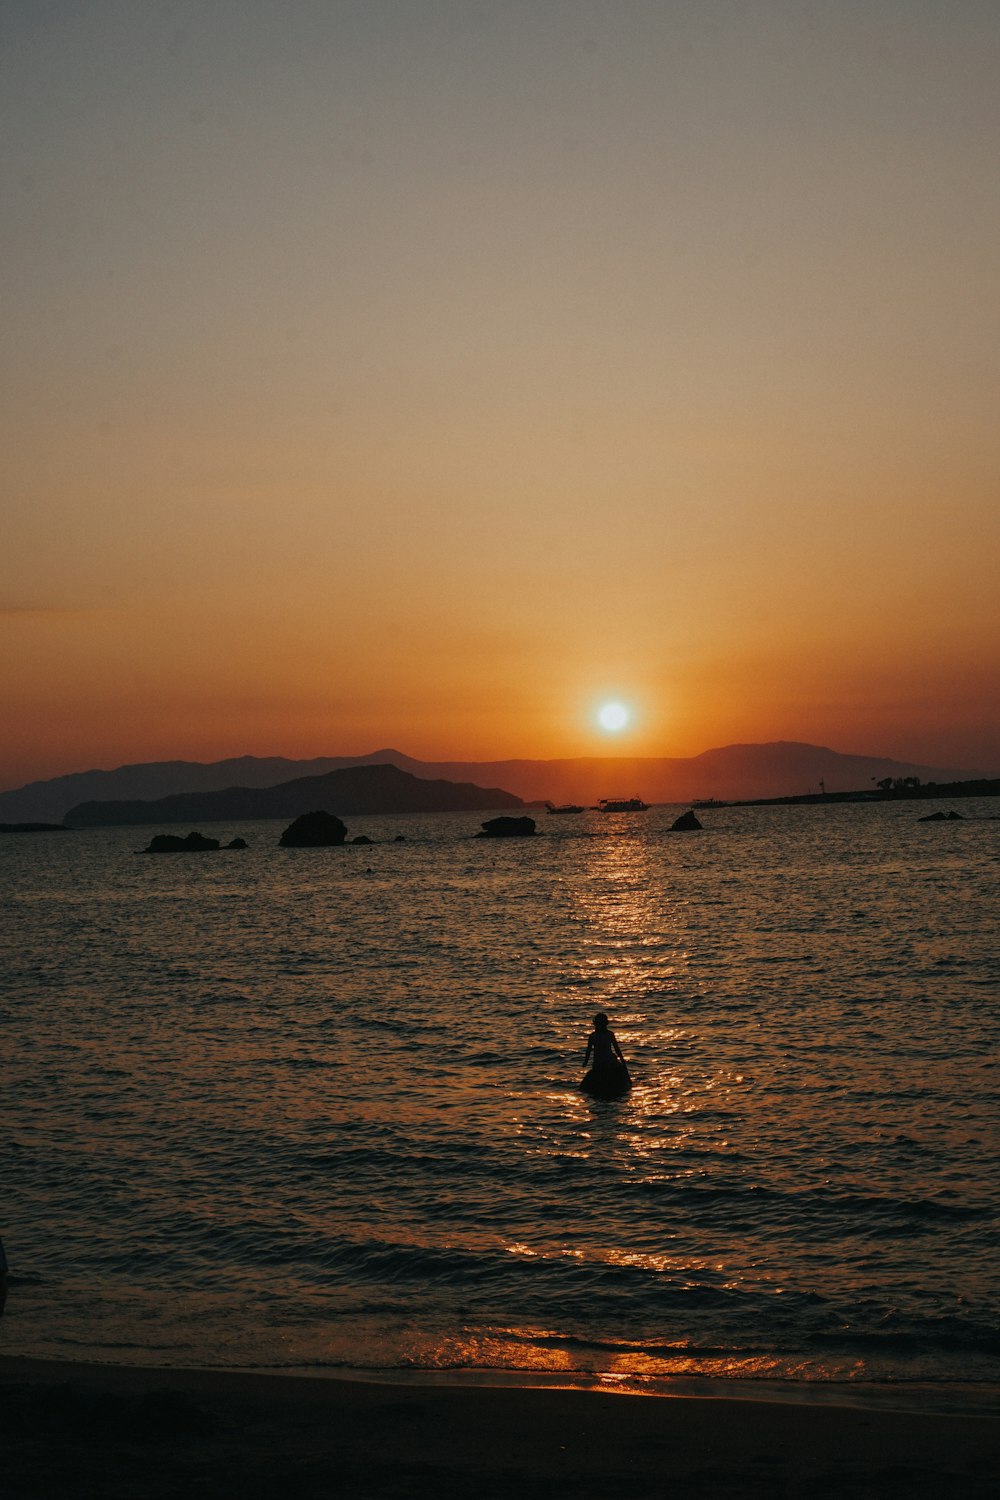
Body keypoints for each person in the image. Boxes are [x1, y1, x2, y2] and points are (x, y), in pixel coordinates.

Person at [582, 1013, 631, 1096]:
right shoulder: (609, 1034)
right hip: (609, 1063)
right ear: (606, 1023)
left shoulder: (593, 1036)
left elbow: (589, 1051)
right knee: (620, 1067)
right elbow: (617, 1049)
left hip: (598, 1064)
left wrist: (585, 1062)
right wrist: (623, 1062)